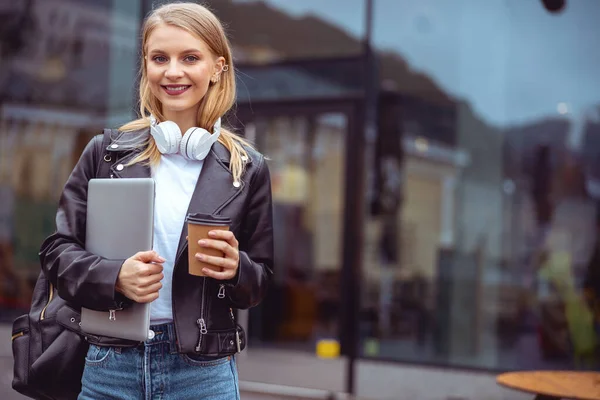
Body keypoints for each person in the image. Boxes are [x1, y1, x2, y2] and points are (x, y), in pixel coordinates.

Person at [38, 3, 273, 399]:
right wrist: (114, 276)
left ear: (218, 67)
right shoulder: (106, 153)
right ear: (145, 64)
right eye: (159, 58)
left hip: (204, 372)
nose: (173, 71)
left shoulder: (247, 168)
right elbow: (56, 252)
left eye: (190, 58)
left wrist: (237, 268)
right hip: (110, 365)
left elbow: (260, 282)